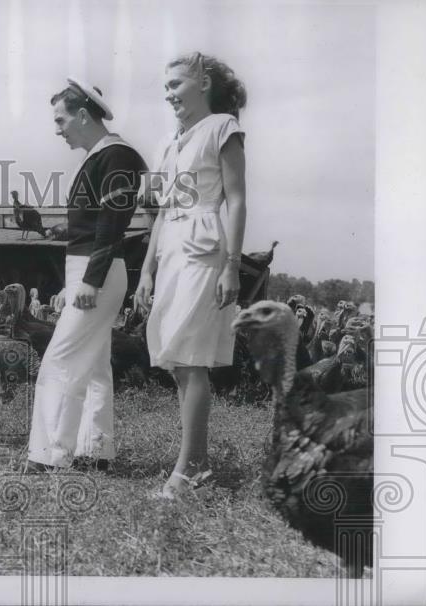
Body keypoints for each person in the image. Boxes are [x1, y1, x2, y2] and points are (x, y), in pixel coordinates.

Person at [134, 52, 248, 499]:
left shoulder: (223, 128)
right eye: (166, 88)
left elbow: (236, 200)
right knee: (177, 358)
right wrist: (146, 271)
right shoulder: (169, 142)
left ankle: (187, 472)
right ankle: (196, 466)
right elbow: (163, 212)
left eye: (177, 85)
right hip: (172, 250)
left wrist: (232, 265)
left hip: (205, 247)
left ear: (203, 83)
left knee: (189, 355)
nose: (170, 95)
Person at [23, 78, 147, 473]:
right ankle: (95, 452)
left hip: (98, 271)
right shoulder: (98, 157)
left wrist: (90, 281)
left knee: (60, 360)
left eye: (60, 120)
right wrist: (65, 251)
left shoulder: (117, 155)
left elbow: (113, 226)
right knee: (93, 365)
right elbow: (95, 226)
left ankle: (48, 457)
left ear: (81, 115)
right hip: (91, 266)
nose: (57, 128)